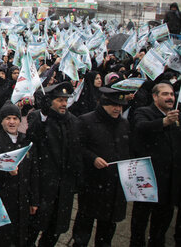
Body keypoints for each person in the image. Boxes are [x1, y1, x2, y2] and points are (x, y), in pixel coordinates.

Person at [72, 87, 130, 247]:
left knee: (107, 231)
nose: (118, 109)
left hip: (115, 188)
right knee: (84, 226)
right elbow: (77, 148)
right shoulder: (86, 121)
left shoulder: (124, 124)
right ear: (103, 104)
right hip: (92, 184)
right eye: (114, 105)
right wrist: (93, 158)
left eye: (120, 106)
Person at [26, 81, 82, 247]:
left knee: (55, 229)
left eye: (65, 100)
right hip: (43, 186)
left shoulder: (73, 121)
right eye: (59, 100)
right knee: (33, 229)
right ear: (50, 101)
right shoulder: (38, 117)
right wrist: (43, 115)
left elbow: (76, 153)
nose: (64, 103)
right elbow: (32, 139)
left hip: (64, 188)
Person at [129, 82, 181, 247]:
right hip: (147, 177)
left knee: (163, 220)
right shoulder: (144, 112)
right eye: (165, 94)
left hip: (169, 181)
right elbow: (140, 127)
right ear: (155, 96)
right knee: (140, 219)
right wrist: (164, 122)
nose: (170, 98)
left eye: (172, 94)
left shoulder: (176, 117)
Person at [0, 102, 36, 247]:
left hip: (22, 200)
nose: (12, 122)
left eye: (15, 118)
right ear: (1, 121)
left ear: (20, 120)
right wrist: (6, 171)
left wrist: (34, 200)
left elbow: (33, 173)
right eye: (8, 118)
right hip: (1, 201)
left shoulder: (27, 140)